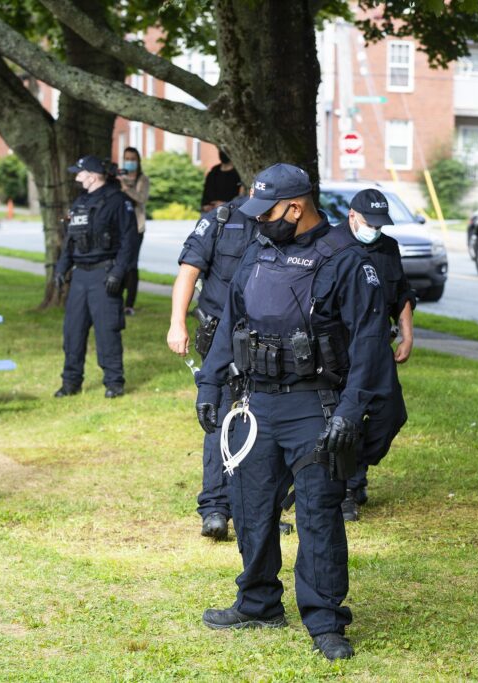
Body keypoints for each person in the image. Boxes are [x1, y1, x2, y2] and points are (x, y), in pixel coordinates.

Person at [194, 163, 390, 660]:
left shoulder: (346, 259)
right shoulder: (259, 251)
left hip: (314, 406)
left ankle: (325, 621)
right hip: (256, 401)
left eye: (269, 211)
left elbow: (369, 347)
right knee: (250, 504)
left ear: (296, 208)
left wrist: (348, 412)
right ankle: (258, 601)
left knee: (319, 514)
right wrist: (210, 384)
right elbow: (230, 323)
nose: (260, 220)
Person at [168, 192, 258, 540]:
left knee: (261, 420)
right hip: (220, 333)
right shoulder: (221, 219)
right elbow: (188, 272)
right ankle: (215, 508)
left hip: (266, 336)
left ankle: (255, 507)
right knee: (217, 417)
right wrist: (177, 323)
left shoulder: (285, 223)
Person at [339, 189, 414, 522]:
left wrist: (407, 334)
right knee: (348, 415)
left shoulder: (388, 247)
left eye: (381, 224)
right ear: (352, 216)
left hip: (377, 343)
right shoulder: (332, 244)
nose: (376, 230)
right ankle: (346, 488)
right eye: (371, 223)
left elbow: (401, 293)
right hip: (341, 345)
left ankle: (355, 467)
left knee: (391, 414)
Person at [53, 155, 139, 399]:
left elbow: (129, 241)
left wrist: (118, 272)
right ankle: (70, 383)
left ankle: (114, 383)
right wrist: (61, 268)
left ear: (92, 176)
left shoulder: (118, 201)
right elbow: (71, 240)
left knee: (107, 331)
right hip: (80, 275)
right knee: (73, 332)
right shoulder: (80, 202)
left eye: (80, 173)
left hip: (104, 274)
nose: (77, 176)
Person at [119, 147, 149, 316]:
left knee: (131, 265)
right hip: (120, 226)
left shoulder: (142, 179)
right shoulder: (118, 178)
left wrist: (126, 188)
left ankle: (129, 303)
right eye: (126, 158)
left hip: (136, 227)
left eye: (132, 158)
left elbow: (141, 199)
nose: (129, 161)